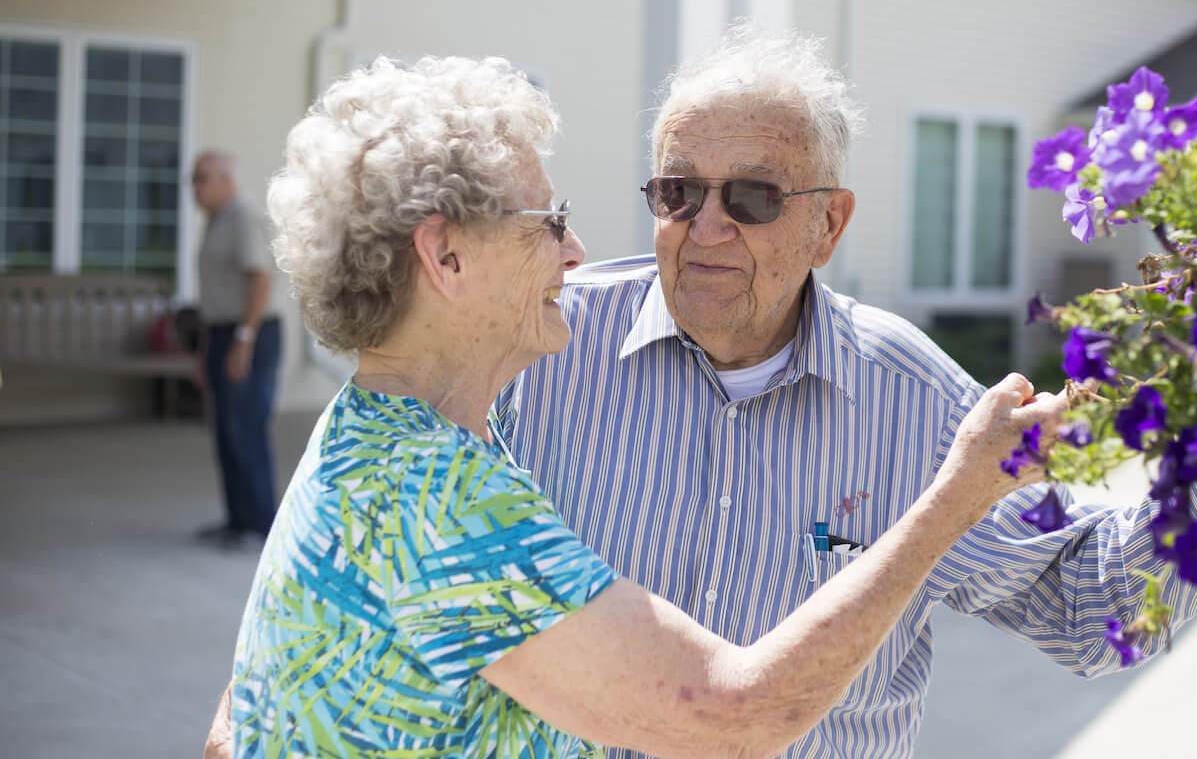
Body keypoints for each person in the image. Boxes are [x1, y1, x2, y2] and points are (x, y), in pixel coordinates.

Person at [208, 55, 1067, 759]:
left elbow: (237, 722)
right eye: (548, 222)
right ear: (448, 258)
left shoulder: (381, 433)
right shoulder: (436, 496)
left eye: (752, 198)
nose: (578, 251)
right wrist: (957, 493)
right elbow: (735, 717)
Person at [488, 24, 1197, 758]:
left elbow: (1092, 602)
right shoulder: (537, 353)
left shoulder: (914, 401)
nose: (706, 226)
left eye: (752, 197)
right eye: (678, 192)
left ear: (828, 224)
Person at [191, 150, 282, 548]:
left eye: (201, 178)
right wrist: (205, 351)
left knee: (246, 428)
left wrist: (243, 341)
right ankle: (237, 520)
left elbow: (260, 281)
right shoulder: (215, 222)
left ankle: (261, 526)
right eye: (192, 179)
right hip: (223, 333)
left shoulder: (241, 218)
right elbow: (217, 296)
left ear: (227, 181)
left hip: (251, 335)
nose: (194, 187)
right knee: (226, 432)